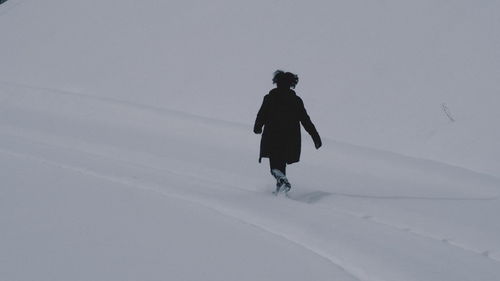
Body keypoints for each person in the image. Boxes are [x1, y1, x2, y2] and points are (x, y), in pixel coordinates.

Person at [254, 70, 322, 194]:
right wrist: (315, 137)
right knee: (281, 164)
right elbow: (306, 121)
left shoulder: (270, 98)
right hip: (290, 139)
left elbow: (261, 115)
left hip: (272, 137)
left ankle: (282, 183)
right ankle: (280, 190)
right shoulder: (295, 100)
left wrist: (257, 127)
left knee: (274, 166)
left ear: (277, 83)